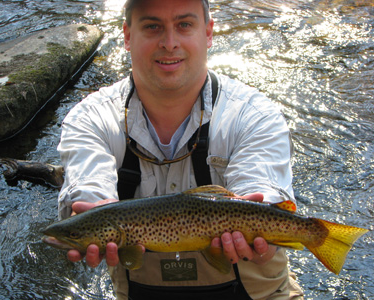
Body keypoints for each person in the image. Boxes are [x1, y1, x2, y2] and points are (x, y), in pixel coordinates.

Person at [57, 0, 304, 299]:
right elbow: (87, 184)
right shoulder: (90, 118)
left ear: (209, 33)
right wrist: (88, 205)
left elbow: (263, 189)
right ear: (127, 36)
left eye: (184, 25)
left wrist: (259, 234)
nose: (169, 43)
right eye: (152, 26)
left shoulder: (255, 116)